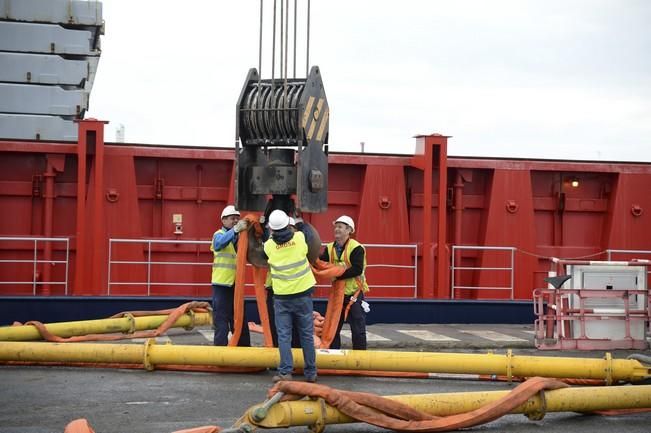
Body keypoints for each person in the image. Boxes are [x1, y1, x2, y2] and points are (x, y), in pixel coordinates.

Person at [263, 210, 317, 383]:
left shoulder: (269, 246)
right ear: (288, 224)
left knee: (284, 335)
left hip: (282, 298)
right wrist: (300, 220)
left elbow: (267, 242)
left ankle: (285, 372)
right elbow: (306, 232)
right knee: (307, 334)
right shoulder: (299, 238)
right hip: (303, 295)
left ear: (272, 229)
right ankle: (311, 373)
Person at [319, 215, 369, 350]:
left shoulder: (356, 248)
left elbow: (357, 269)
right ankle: (334, 357)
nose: (336, 229)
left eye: (340, 227)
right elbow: (320, 263)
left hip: (353, 294)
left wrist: (336, 274)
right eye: (336, 226)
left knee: (358, 328)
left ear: (349, 230)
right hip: (337, 295)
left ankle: (360, 359)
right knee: (333, 327)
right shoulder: (329, 248)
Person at [210, 205, 251, 347]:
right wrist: (235, 230)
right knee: (221, 320)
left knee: (239, 318)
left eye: (237, 219)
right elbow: (219, 244)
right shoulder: (218, 235)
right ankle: (220, 353)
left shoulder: (241, 237)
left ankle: (244, 351)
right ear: (223, 220)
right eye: (232, 218)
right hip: (221, 285)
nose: (235, 221)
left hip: (236, 285)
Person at [264, 217, 301, 348]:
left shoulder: (270, 245)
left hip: (287, 291)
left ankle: (291, 356)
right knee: (277, 326)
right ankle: (283, 356)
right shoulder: (299, 241)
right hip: (279, 290)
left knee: (291, 326)